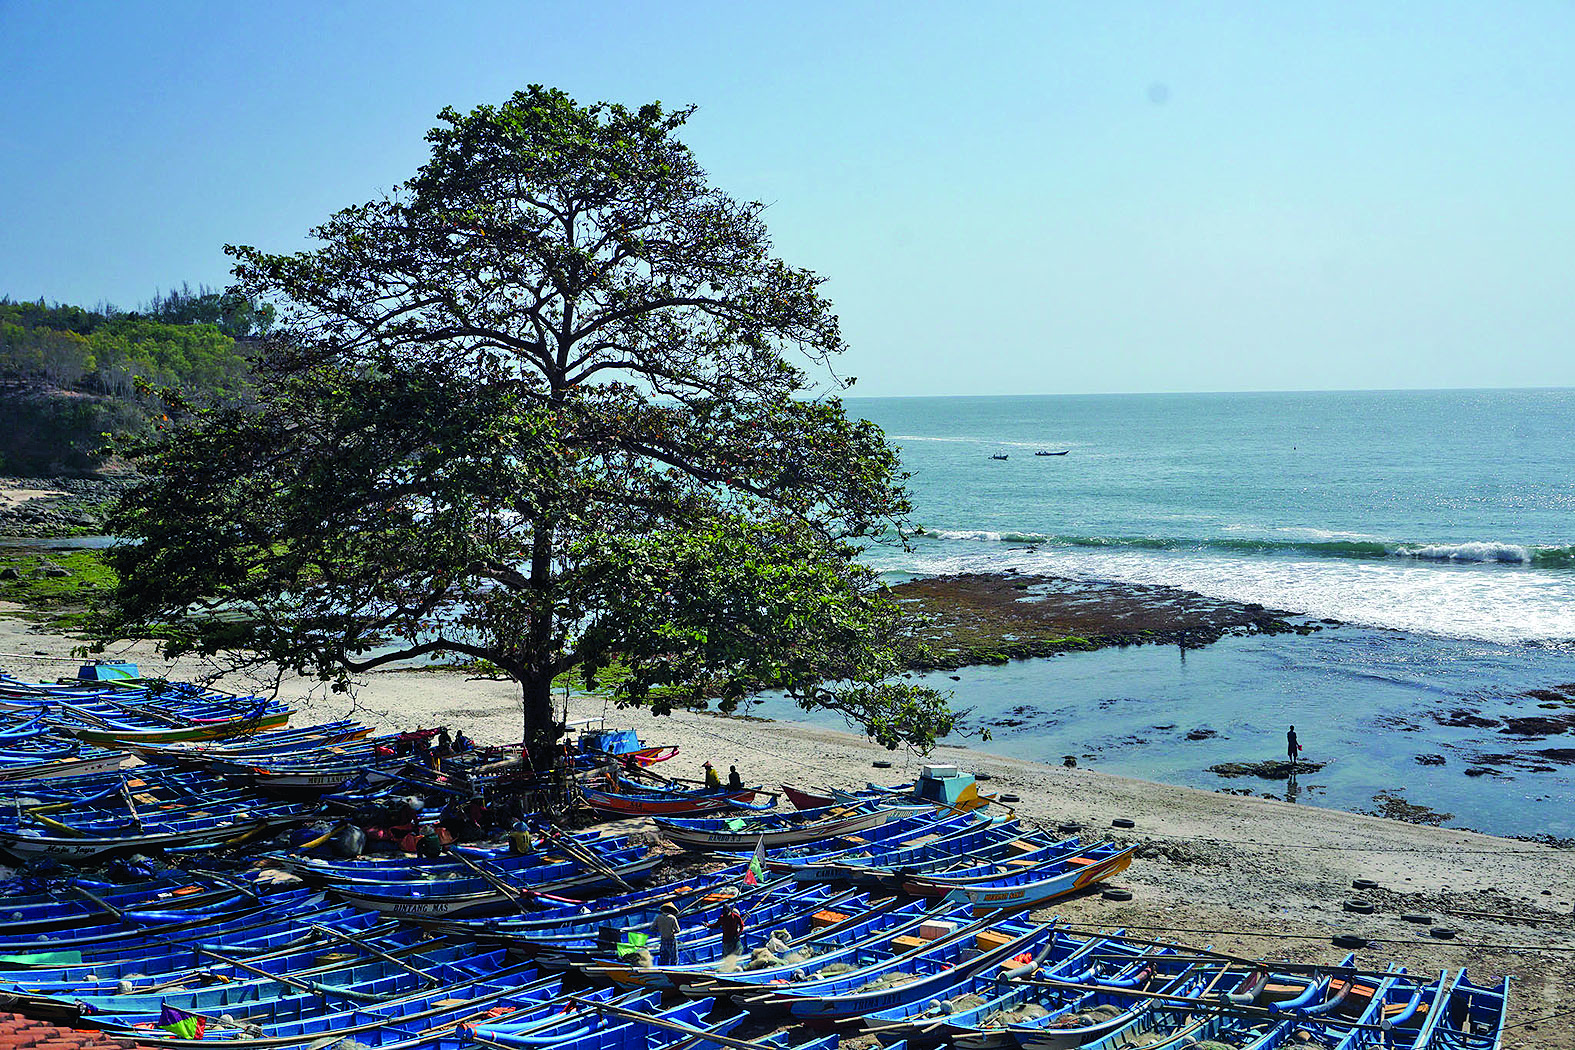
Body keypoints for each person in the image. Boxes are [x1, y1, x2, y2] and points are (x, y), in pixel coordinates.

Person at [655, 901, 681, 966]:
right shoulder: (672, 918)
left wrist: (661, 930)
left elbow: (652, 929)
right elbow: (678, 930)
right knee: (673, 957)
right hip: (671, 939)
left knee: (664, 956)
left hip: (663, 939)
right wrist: (671, 931)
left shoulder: (658, 917)